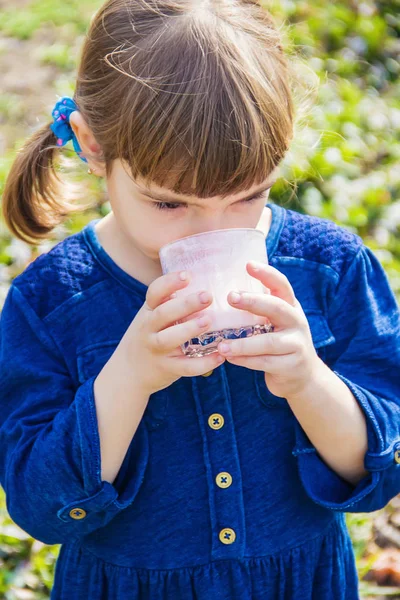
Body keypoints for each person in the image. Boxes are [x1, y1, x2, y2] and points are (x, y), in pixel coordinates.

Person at [1, 1, 400, 598]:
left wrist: (309, 381)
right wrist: (127, 379)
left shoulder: (330, 271)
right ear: (91, 144)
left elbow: (380, 475)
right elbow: (40, 507)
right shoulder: (54, 300)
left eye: (249, 197)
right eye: (169, 203)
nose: (211, 232)